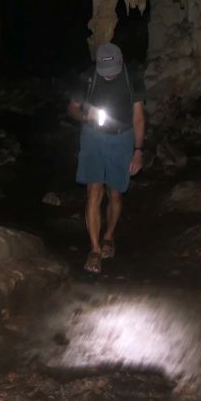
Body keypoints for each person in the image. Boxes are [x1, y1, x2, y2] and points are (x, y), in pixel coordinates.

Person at [66, 43, 146, 273]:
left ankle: (108, 236)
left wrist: (138, 150)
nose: (109, 75)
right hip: (93, 137)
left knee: (115, 192)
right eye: (105, 71)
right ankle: (94, 249)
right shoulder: (88, 77)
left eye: (113, 70)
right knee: (94, 191)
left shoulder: (132, 77)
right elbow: (72, 108)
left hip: (122, 138)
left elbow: (138, 117)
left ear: (120, 63)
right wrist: (85, 116)